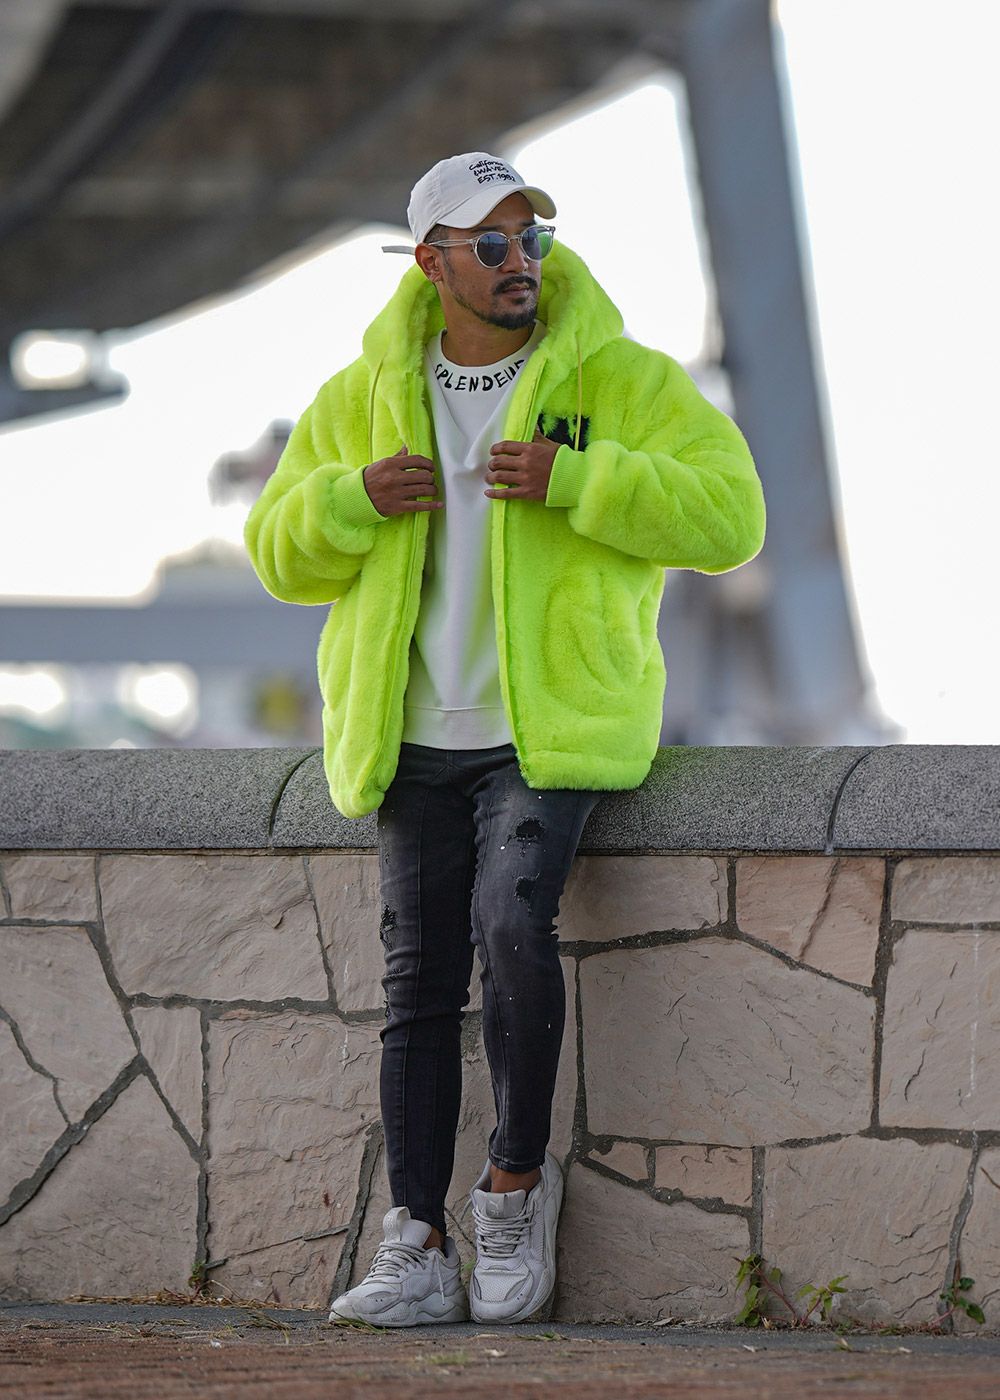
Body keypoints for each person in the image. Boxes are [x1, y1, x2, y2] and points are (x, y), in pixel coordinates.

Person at [243, 151, 766, 1327]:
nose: (518, 259)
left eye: (531, 237)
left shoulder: (621, 379)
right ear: (430, 262)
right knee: (416, 983)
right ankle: (416, 1241)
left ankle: (514, 1190)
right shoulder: (360, 396)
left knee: (511, 930)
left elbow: (732, 517)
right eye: (491, 242)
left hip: (546, 730)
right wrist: (351, 500)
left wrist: (584, 478)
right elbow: (277, 552)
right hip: (410, 732)